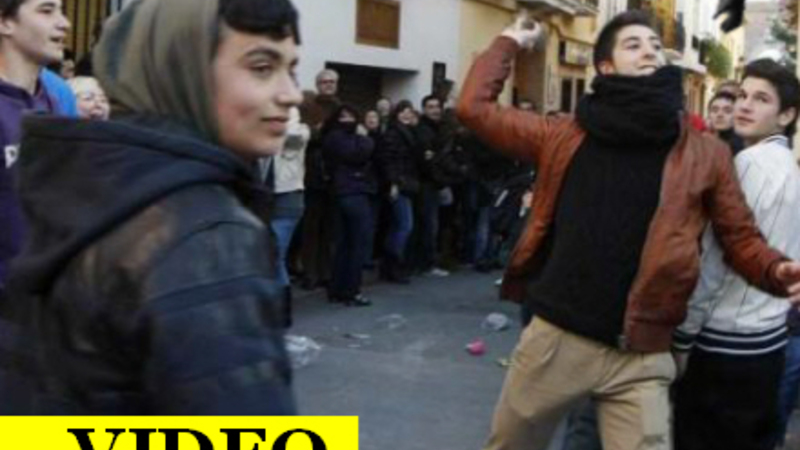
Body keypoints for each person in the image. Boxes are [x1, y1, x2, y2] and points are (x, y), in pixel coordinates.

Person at [457, 11, 800, 450]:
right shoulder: (564, 135)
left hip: (641, 355)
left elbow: (740, 238)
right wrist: (508, 41)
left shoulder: (705, 154)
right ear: (606, 66)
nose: (650, 51)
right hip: (557, 341)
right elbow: (474, 108)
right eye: (633, 45)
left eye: (655, 45)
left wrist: (775, 270)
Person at [0, 0, 302, 414]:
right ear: (183, 70)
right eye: (261, 67)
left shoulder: (105, 181)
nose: (291, 94)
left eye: (292, 69)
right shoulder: (206, 233)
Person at [673, 59, 800, 450]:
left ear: (786, 115)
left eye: (761, 99)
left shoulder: (747, 164)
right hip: (768, 342)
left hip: (725, 344)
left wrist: (683, 337)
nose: (745, 105)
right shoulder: (791, 169)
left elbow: (714, 261)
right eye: (743, 95)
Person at [0, 0, 70, 297]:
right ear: (5, 22)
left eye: (62, 11)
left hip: (45, 300)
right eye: (46, 10)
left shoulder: (55, 100)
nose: (64, 23)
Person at [322, 105, 376, 306]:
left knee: (344, 243)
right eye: (344, 117)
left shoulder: (331, 136)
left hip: (341, 192)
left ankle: (338, 288)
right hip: (352, 191)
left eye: (350, 116)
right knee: (357, 243)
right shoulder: (341, 138)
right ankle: (351, 290)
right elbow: (359, 154)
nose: (347, 120)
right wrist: (364, 137)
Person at [262, 106, 309, 327]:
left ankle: (283, 313)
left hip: (288, 199)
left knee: (276, 255)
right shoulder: (264, 135)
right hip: (264, 199)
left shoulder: (301, 131)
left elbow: (293, 138)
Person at [298, 68, 340, 290]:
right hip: (312, 173)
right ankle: (310, 273)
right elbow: (303, 135)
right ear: (318, 84)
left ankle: (326, 272)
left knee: (330, 228)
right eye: (324, 81)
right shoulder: (307, 106)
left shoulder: (341, 107)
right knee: (311, 227)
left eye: (332, 81)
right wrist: (320, 131)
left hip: (335, 175)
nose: (328, 85)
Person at [379, 100, 420, 284]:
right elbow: (389, 160)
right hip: (400, 184)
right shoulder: (394, 134)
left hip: (406, 183)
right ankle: (394, 265)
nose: (406, 114)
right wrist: (394, 182)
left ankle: (389, 265)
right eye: (403, 111)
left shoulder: (408, 132)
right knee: (405, 225)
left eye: (409, 111)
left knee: (398, 226)